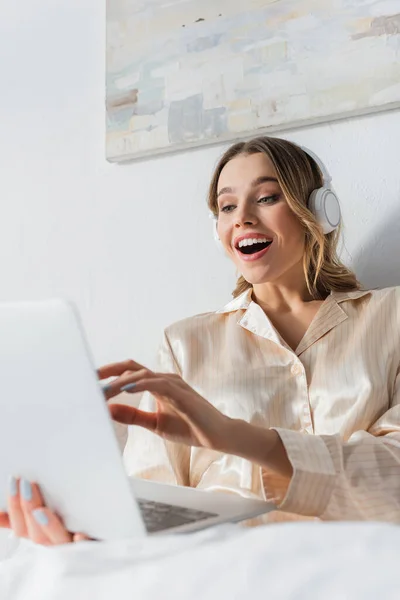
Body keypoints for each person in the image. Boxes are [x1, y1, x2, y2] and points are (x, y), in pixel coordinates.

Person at [2, 136, 400, 546]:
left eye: (266, 197)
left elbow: (394, 477)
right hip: (219, 573)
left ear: (318, 211)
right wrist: (91, 542)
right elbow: (151, 496)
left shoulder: (392, 316)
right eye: (227, 206)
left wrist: (234, 436)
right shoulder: (184, 343)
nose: (242, 218)